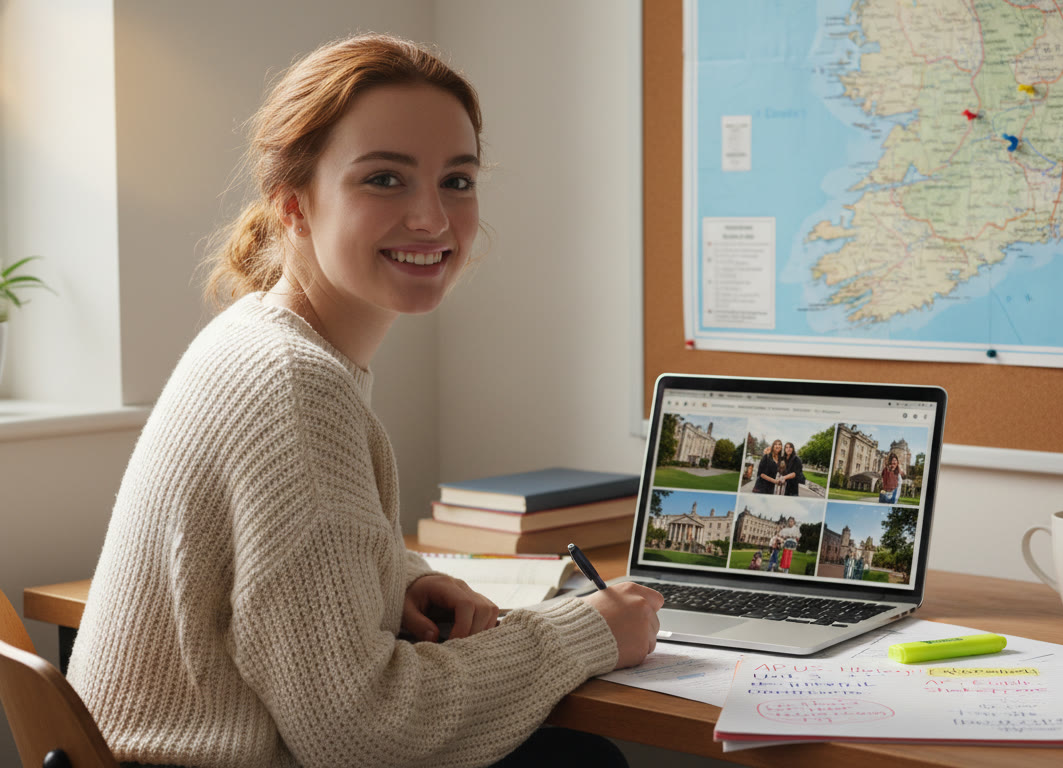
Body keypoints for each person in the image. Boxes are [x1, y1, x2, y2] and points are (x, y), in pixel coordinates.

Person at [66, 33, 662, 768]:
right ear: (294, 205)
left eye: (459, 180)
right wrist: (588, 631)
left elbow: (283, 559)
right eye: (385, 180)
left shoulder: (258, 336)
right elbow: (363, 731)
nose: (434, 219)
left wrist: (402, 577)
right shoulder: (294, 386)